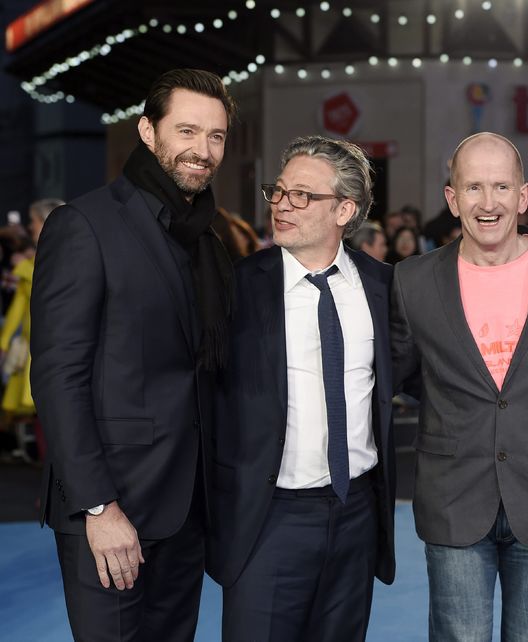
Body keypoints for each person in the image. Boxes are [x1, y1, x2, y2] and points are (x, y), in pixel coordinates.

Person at [30, 69, 236, 641]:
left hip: (187, 508)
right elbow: (57, 376)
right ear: (148, 131)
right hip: (112, 508)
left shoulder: (206, 240)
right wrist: (98, 507)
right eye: (187, 131)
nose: (202, 150)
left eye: (216, 136)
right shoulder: (85, 225)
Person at [391, 132, 528, 641]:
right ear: (452, 199)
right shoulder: (413, 281)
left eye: (501, 187)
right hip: (453, 496)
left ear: (524, 195)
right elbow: (401, 373)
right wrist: (458, 411)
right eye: (472, 188)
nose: (488, 204)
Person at [207, 135, 396, 642]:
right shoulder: (235, 288)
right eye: (279, 191)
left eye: (303, 196)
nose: (282, 205)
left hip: (357, 512)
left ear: (345, 210)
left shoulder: (383, 287)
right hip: (267, 518)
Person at [0, 198, 63, 461]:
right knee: (43, 412)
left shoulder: (68, 256)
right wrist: (3, 344)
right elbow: (17, 308)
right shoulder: (29, 264)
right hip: (34, 347)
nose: (29, 227)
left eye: (33, 221)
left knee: (56, 412)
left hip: (60, 347)